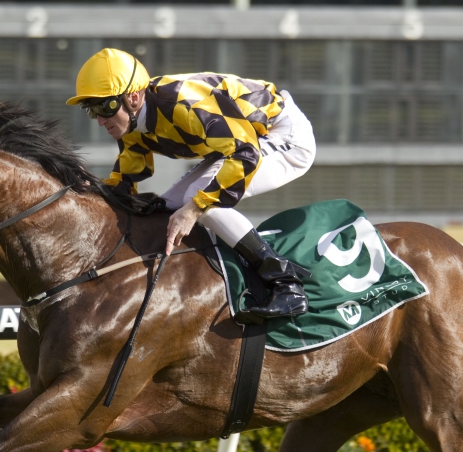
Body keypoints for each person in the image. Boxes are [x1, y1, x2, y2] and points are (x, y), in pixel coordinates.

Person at [67, 48, 317, 319]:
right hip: (242, 143)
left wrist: (195, 209)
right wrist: (91, 192)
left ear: (133, 97)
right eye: (92, 110)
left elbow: (246, 155)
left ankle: (286, 284)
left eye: (105, 107)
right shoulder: (133, 122)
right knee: (165, 206)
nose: (101, 120)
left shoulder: (186, 106)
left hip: (282, 134)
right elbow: (126, 178)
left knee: (198, 200)